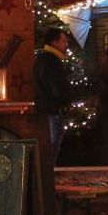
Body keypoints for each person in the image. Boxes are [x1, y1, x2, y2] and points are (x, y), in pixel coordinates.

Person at [33, 27, 72, 159]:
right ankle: (47, 177)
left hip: (45, 108)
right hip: (51, 110)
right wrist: (66, 98)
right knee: (51, 147)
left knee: (49, 146)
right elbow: (57, 88)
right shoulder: (51, 61)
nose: (66, 44)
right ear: (54, 42)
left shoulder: (43, 59)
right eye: (64, 41)